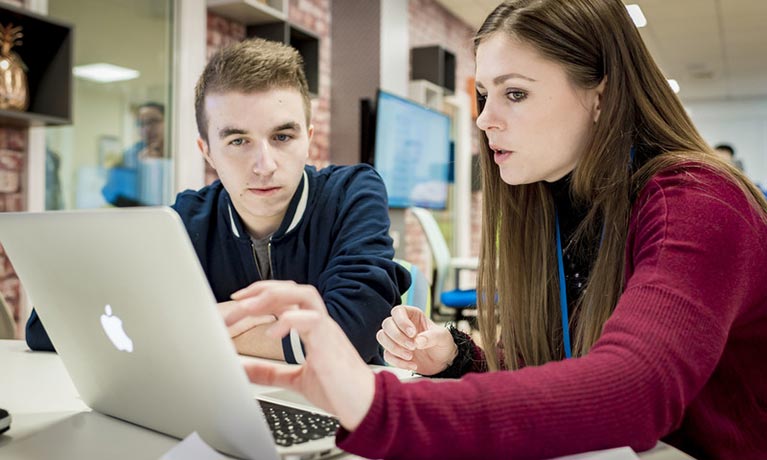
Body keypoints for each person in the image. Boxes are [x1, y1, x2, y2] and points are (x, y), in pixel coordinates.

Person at [220, 1, 767, 459]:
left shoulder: (700, 201)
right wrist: (457, 358)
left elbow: (634, 388)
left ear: (601, 93)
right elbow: (552, 372)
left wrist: (378, 405)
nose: (483, 120)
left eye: (516, 93)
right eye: (485, 94)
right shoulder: (558, 202)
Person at [25, 38, 409, 365]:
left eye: (282, 137)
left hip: (342, 417)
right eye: (238, 141)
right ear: (206, 151)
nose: (265, 165)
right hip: (225, 411)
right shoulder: (185, 220)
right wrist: (291, 329)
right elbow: (46, 326)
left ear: (308, 138)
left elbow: (351, 332)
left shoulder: (352, 193)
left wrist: (192, 325)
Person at [101, 102, 169, 206]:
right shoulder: (130, 157)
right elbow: (111, 192)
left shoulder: (181, 152)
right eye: (141, 124)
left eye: (153, 121)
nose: (147, 129)